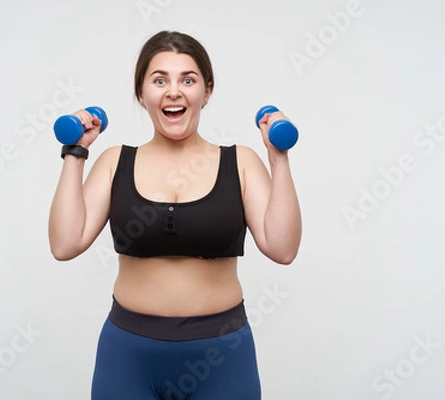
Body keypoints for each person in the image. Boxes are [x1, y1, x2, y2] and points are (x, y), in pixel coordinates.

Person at [48, 30, 301, 400]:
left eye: (188, 79)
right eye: (159, 80)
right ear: (141, 94)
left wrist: (278, 157)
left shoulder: (241, 162)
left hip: (222, 356)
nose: (173, 91)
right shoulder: (115, 161)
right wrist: (75, 151)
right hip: (128, 356)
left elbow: (283, 249)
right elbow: (65, 244)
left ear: (207, 92)